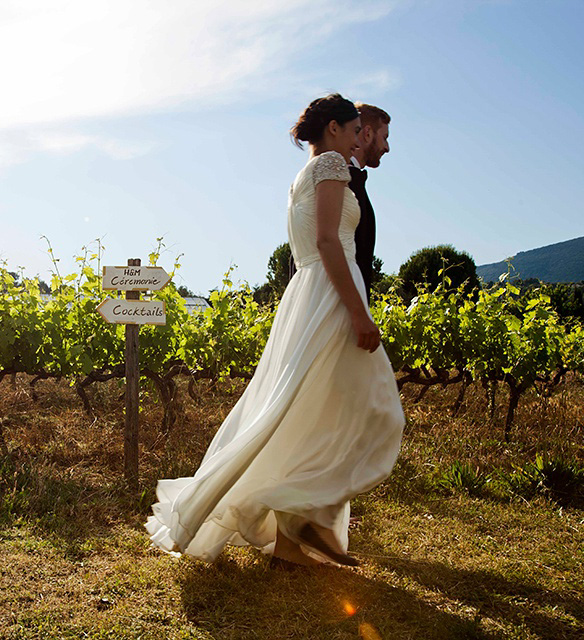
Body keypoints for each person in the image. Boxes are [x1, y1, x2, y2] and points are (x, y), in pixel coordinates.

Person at [145, 94, 405, 567]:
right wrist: (358, 313)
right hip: (330, 295)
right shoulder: (330, 164)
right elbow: (328, 241)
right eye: (352, 131)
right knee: (377, 411)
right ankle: (309, 515)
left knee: (313, 412)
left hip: (315, 292)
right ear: (333, 129)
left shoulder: (308, 171)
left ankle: (291, 543)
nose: (356, 140)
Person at [289, 101, 390, 301]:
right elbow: (326, 241)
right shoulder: (333, 172)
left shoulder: (305, 176)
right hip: (335, 300)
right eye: (385, 137)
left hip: (310, 296)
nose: (387, 147)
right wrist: (359, 313)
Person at [350, 103, 390, 301]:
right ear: (367, 133)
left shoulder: (352, 179)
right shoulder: (340, 182)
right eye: (384, 138)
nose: (387, 148)